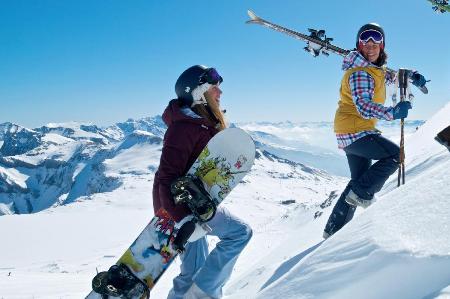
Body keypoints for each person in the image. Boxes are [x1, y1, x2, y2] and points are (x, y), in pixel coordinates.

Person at [152, 65, 253, 299]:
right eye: (214, 88)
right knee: (240, 233)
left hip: (190, 205)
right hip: (182, 209)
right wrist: (182, 219)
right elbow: (166, 176)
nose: (220, 93)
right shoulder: (183, 129)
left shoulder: (200, 125)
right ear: (199, 93)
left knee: (192, 270)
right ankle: (204, 294)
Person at [323, 23, 426, 239]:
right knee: (395, 156)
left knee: (358, 181)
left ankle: (333, 231)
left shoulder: (376, 70)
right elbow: (364, 106)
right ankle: (362, 195)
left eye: (375, 41)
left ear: (382, 45)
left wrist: (412, 76)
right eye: (365, 42)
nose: (370, 46)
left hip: (351, 130)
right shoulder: (360, 73)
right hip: (356, 130)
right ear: (359, 46)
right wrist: (393, 112)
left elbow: (393, 75)